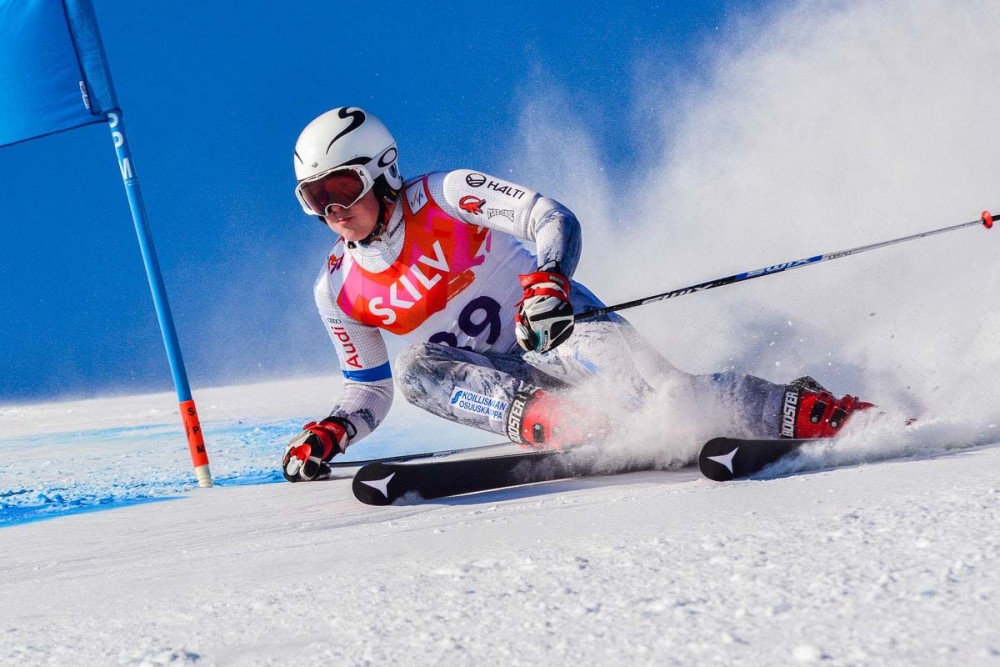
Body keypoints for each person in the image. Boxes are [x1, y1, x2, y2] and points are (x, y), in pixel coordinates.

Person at [282, 107, 872, 482]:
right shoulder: (336, 287)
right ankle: (565, 424)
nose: (333, 210)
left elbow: (551, 218)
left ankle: (815, 411)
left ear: (382, 171)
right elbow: (369, 389)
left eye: (342, 187)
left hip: (556, 329)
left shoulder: (445, 195)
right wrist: (335, 430)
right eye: (315, 198)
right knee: (414, 368)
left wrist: (549, 281)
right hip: (508, 386)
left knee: (665, 400)